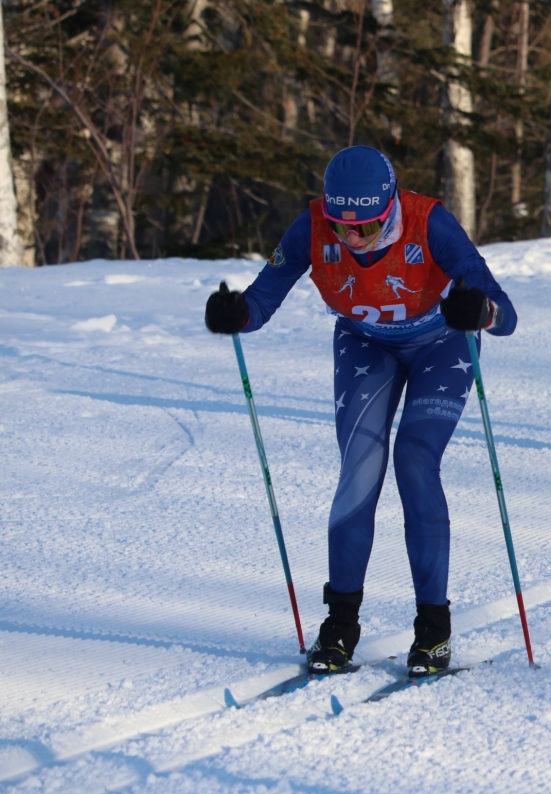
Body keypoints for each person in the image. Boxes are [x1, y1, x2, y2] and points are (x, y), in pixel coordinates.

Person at [204, 146, 517, 679]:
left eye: (368, 227)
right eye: (342, 226)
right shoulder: (311, 227)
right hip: (364, 345)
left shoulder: (430, 223)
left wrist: (478, 311)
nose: (353, 239)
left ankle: (433, 630)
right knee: (360, 470)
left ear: (390, 204)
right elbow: (262, 298)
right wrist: (234, 314)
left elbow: (504, 314)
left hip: (439, 345)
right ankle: (340, 624)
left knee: (414, 462)